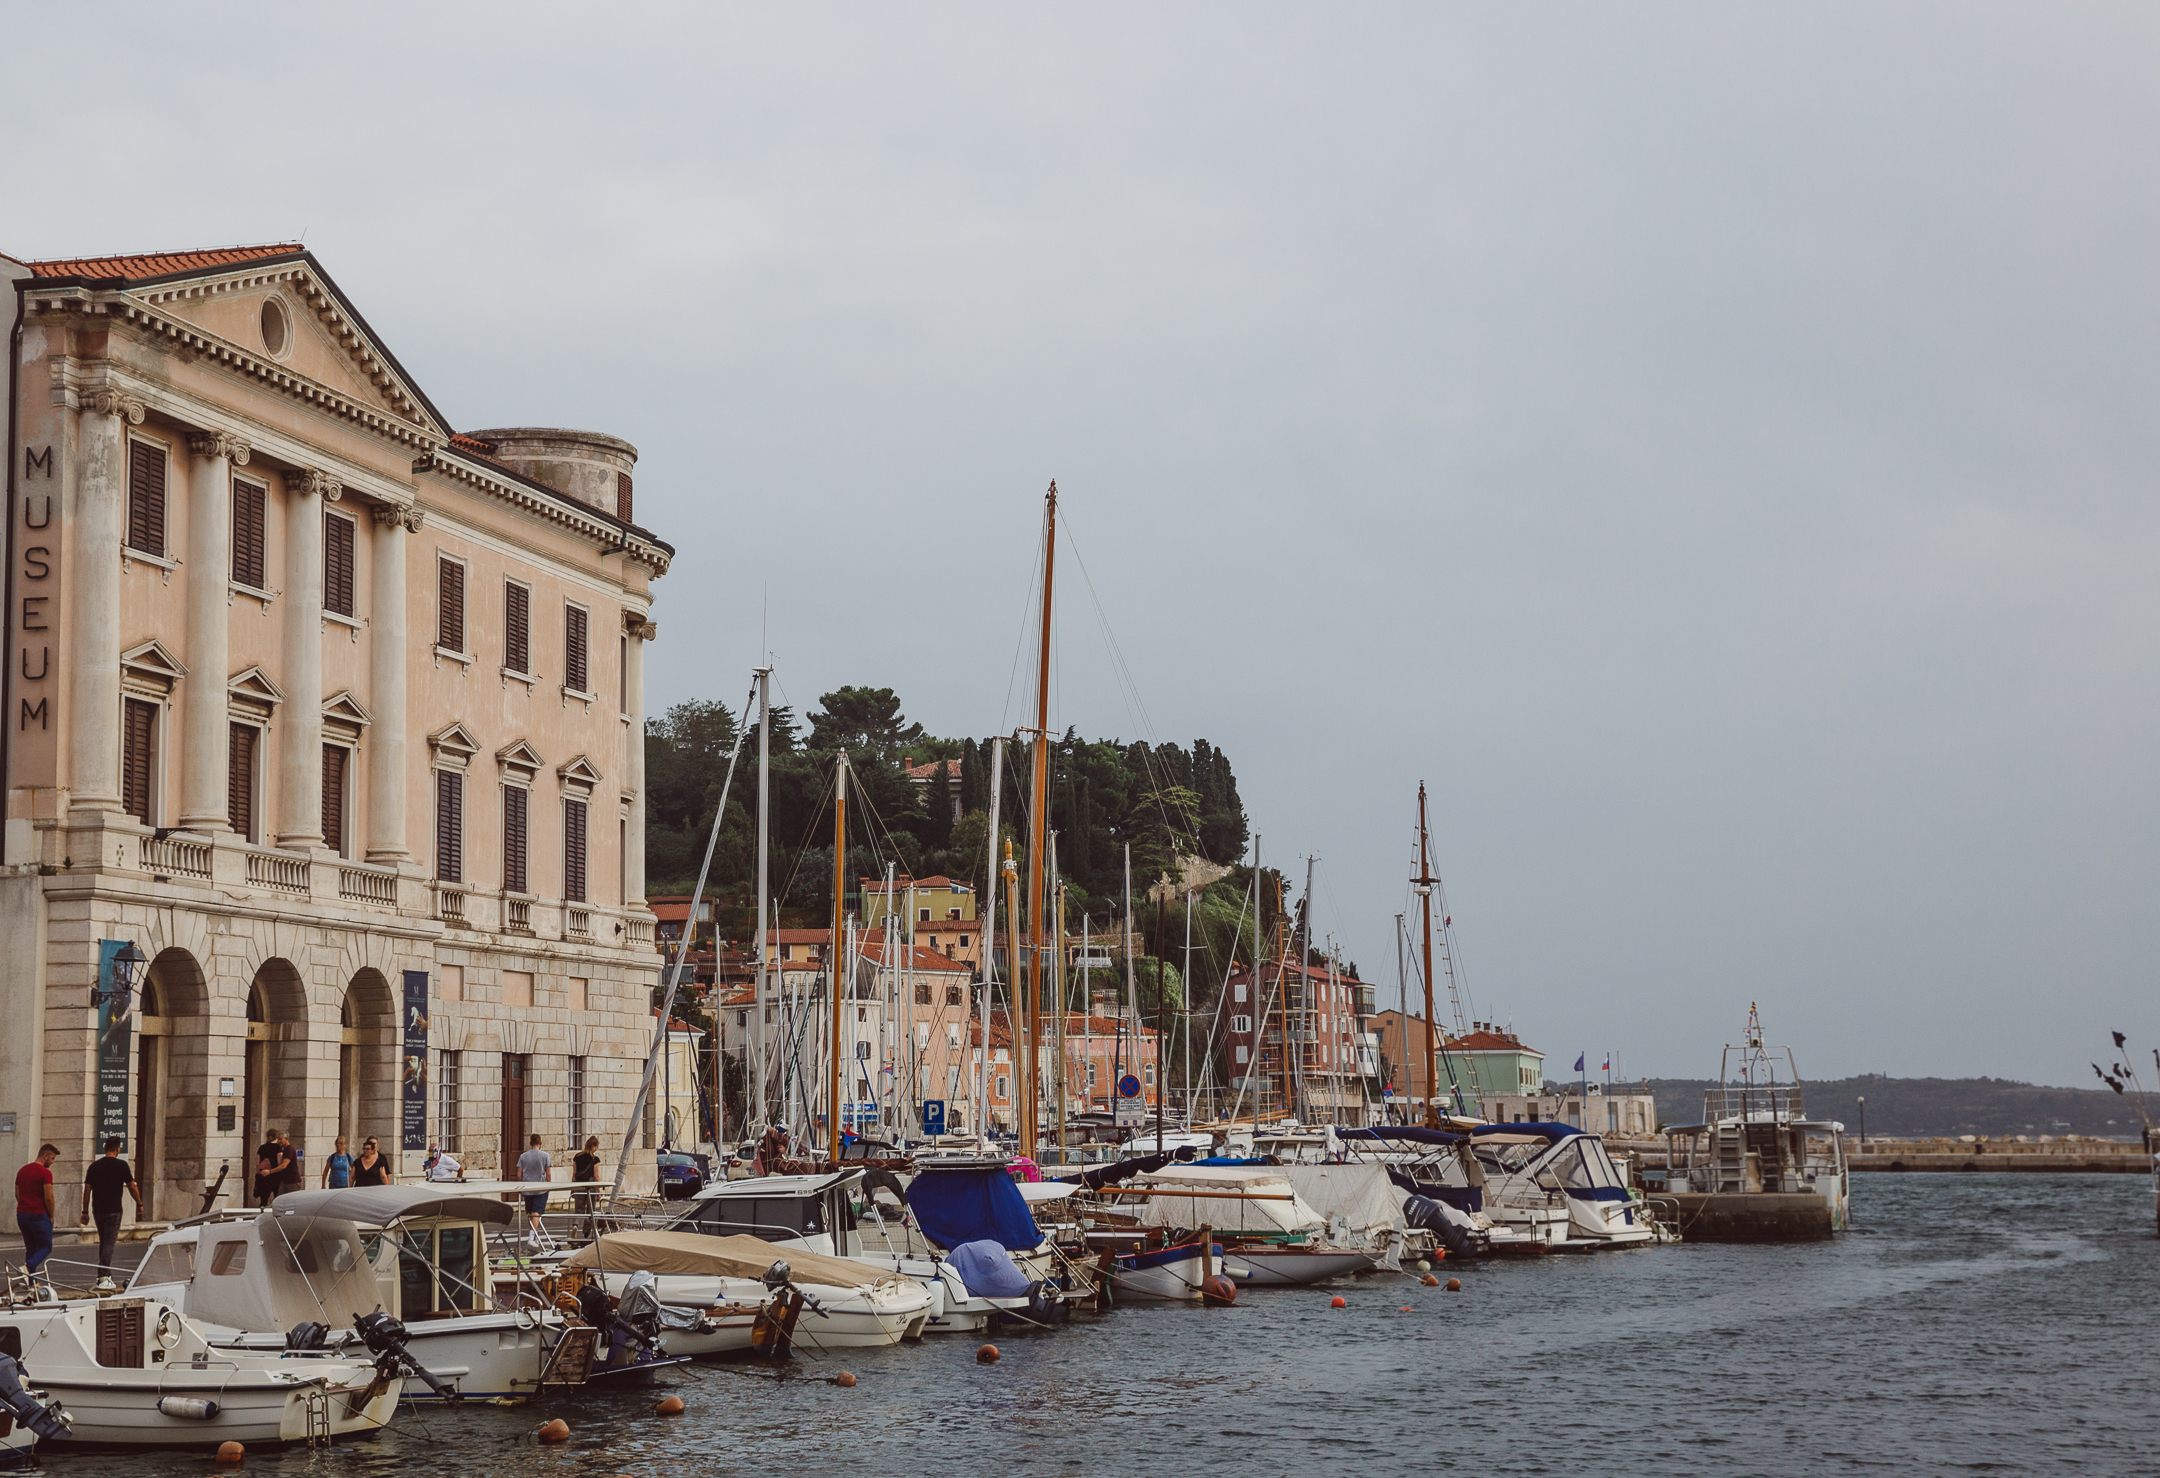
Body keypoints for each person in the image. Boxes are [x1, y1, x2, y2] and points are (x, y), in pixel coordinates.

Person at [79, 1137, 141, 1283]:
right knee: (109, 1243)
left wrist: (85, 1211)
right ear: (118, 1149)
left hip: (98, 1210)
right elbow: (132, 1186)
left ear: (105, 1148)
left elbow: (87, 1189)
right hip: (114, 1209)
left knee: (104, 1241)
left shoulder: (94, 1167)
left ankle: (105, 1273)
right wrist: (139, 1203)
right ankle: (103, 1275)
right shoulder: (121, 1165)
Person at [14, 1144, 59, 1275]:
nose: (52, 1162)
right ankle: (28, 1268)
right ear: (45, 1156)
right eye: (52, 1158)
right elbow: (49, 1197)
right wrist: (51, 1215)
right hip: (39, 1214)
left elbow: (17, 1193)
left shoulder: (22, 1171)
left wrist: (24, 1205)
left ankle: (30, 1283)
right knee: (46, 1246)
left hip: (22, 1214)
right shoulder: (45, 1173)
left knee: (31, 1249)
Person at [517, 1134, 552, 1239]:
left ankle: (532, 1234)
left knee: (530, 1212)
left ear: (530, 1143)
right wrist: (549, 1186)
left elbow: (519, 1174)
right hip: (540, 1188)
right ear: (540, 1143)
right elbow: (548, 1173)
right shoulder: (545, 1156)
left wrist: (520, 1186)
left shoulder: (523, 1156)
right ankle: (532, 1237)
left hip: (527, 1188)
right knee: (536, 1212)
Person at [572, 1136, 601, 1234]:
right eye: (596, 1147)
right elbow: (596, 1175)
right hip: (590, 1185)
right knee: (590, 1209)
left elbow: (574, 1174)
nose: (596, 1149)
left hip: (579, 1185)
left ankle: (575, 1225)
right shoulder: (595, 1159)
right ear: (593, 1146)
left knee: (578, 1209)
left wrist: (573, 1188)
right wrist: (599, 1190)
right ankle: (586, 1232)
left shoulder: (577, 1156)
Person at [255, 1133, 292, 1207]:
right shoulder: (278, 1148)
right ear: (276, 1138)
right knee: (277, 1197)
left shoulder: (262, 1147)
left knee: (264, 1199)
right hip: (275, 1175)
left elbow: (257, 1163)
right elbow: (280, 1162)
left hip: (263, 1175)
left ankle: (261, 1214)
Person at [275, 1131, 303, 1200]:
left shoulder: (289, 1149)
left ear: (286, 1139)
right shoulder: (285, 1150)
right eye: (278, 1139)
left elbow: (284, 1165)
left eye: (280, 1139)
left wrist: (269, 1171)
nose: (279, 1141)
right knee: (280, 1200)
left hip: (292, 1181)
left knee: (292, 1201)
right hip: (285, 1180)